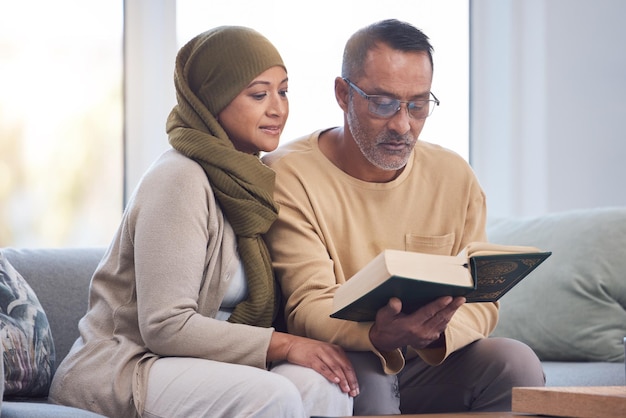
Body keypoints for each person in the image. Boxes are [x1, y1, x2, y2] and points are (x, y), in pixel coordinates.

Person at [48, 26, 358, 418]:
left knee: (324, 385)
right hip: (129, 365)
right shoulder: (179, 178)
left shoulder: (251, 183)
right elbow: (164, 326)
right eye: (259, 94)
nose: (277, 108)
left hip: (201, 364)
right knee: (272, 396)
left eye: (283, 91)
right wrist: (284, 344)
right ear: (214, 100)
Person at [262, 19, 545, 415]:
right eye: (382, 103)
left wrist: (433, 336)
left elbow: (482, 301)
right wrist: (377, 334)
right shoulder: (290, 174)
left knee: (516, 363)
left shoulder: (454, 175)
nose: (402, 124)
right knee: (369, 381)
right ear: (343, 94)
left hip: (428, 360)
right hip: (348, 353)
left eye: (418, 104)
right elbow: (307, 304)